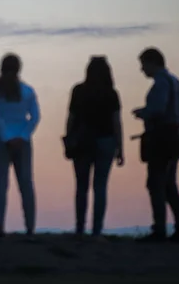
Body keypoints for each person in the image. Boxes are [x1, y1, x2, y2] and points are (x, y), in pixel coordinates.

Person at [132, 47, 179, 243]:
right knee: (169, 185)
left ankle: (160, 231)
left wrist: (142, 113)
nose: (142, 70)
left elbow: (158, 109)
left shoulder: (161, 83)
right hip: (174, 138)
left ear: (152, 63)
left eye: (143, 65)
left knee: (156, 184)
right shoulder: (175, 81)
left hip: (162, 139)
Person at [65, 56, 124, 239]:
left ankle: (80, 227)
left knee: (81, 187)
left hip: (82, 142)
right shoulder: (111, 94)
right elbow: (116, 122)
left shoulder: (78, 91)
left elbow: (71, 118)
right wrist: (121, 148)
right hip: (106, 142)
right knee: (100, 187)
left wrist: (69, 139)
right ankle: (97, 230)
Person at [0, 53, 40, 237]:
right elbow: (34, 117)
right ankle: (30, 227)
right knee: (26, 183)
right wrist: (22, 135)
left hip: (0, 141)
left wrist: (7, 136)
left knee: (1, 184)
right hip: (22, 142)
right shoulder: (28, 91)